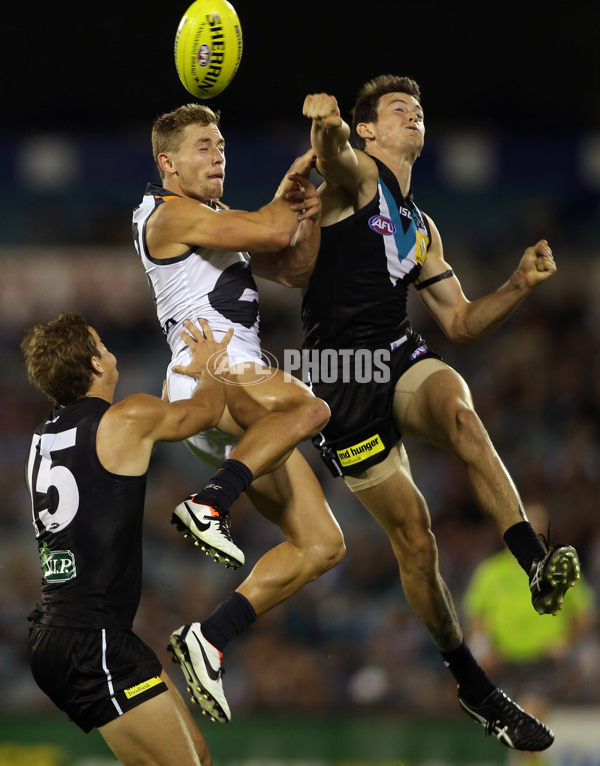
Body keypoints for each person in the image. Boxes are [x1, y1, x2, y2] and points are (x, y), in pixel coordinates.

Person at [285, 75, 584, 752]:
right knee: (417, 543)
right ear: (370, 131)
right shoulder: (358, 177)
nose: (413, 113)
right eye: (397, 108)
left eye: (417, 108)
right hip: (344, 379)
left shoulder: (422, 226)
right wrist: (325, 122)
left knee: (462, 415)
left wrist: (517, 283)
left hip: (398, 354)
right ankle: (474, 686)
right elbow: (332, 155)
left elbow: (461, 322)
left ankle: (533, 562)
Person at [133, 103, 345, 723]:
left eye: (221, 144)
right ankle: (209, 503)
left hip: (239, 396)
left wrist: (305, 212)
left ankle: (210, 638)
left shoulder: (216, 218)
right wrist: (303, 187)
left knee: (322, 545)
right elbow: (272, 232)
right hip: (212, 378)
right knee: (312, 408)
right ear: (167, 162)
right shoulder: (169, 214)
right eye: (203, 146)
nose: (218, 154)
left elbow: (292, 262)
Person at [22, 312, 232, 766]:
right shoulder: (128, 417)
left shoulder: (42, 438)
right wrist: (212, 364)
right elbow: (207, 413)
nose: (110, 351)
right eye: (102, 343)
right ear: (96, 365)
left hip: (71, 632)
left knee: (196, 758)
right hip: (90, 637)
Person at [463, 503, 595, 765]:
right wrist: (482, 648)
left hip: (545, 664)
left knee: (529, 722)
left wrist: (566, 641)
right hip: (507, 664)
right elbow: (477, 618)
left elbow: (584, 614)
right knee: (522, 737)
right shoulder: (491, 572)